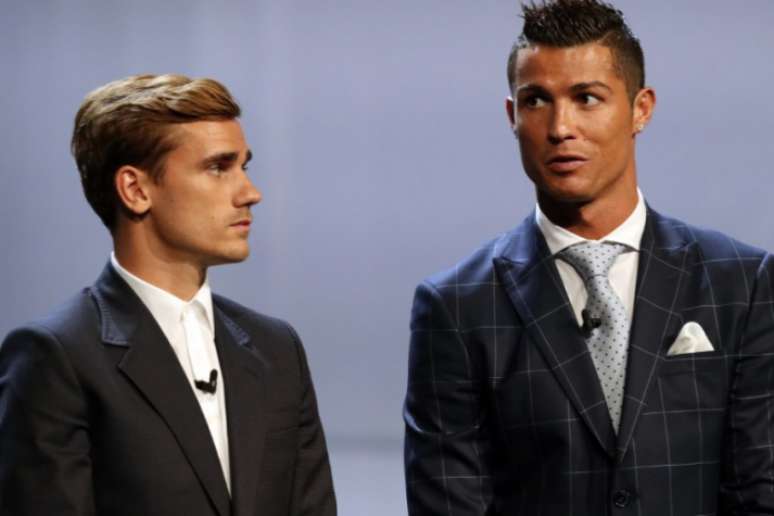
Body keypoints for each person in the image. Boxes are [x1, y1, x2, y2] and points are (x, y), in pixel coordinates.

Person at [403, 1, 774, 514]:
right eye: (536, 101)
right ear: (511, 116)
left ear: (640, 108)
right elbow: (449, 502)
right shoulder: (457, 305)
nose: (560, 128)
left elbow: (761, 487)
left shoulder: (741, 283)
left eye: (587, 98)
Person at [0, 74, 336, 516]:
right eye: (218, 167)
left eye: (244, 167)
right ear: (136, 190)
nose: (250, 193)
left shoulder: (277, 349)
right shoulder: (56, 357)